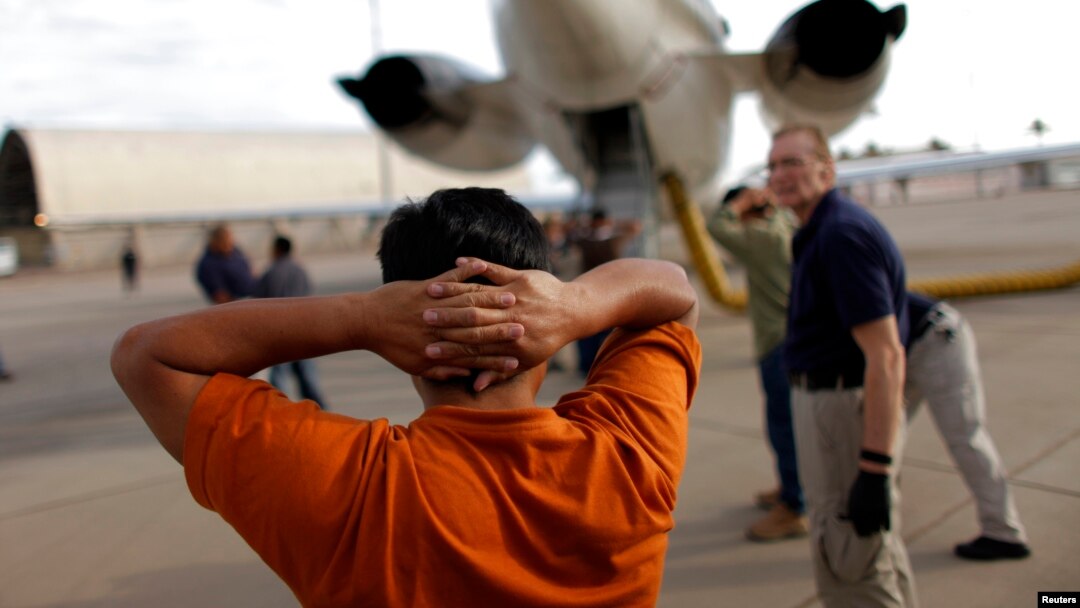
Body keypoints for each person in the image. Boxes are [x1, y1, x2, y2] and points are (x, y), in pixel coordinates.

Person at [111, 187, 701, 607]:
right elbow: (673, 294)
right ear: (540, 313)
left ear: (405, 324)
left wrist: (359, 317)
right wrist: (575, 307)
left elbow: (146, 355)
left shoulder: (346, 487)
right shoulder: (628, 455)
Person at [770, 125, 916, 607]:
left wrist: (873, 467)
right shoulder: (819, 229)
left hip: (840, 414)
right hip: (829, 404)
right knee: (875, 555)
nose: (780, 175)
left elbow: (886, 354)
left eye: (793, 162)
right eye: (773, 165)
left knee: (851, 562)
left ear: (826, 169)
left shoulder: (840, 236)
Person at [707, 186, 806, 542]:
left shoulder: (763, 239)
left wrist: (740, 202)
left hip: (777, 342)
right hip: (795, 337)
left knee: (784, 427)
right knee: (793, 423)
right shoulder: (784, 226)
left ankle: (795, 506)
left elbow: (717, 226)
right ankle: (792, 489)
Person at [905, 292, 1031, 560]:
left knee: (965, 436)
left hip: (935, 339)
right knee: (877, 438)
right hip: (906, 347)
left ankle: (1003, 532)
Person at [252, 235, 328, 409]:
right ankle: (323, 414)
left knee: (280, 379)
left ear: (277, 250)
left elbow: (258, 300)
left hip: (279, 332)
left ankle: (282, 414)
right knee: (308, 378)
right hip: (304, 330)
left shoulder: (270, 273)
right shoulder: (300, 271)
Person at [568, 208, 643, 376]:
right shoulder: (612, 239)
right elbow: (635, 227)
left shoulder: (585, 239)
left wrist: (588, 225)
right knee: (609, 334)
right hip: (612, 293)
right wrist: (612, 224)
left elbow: (569, 232)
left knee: (588, 334)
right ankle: (608, 366)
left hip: (589, 292)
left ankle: (588, 367)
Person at [195, 224, 253, 304]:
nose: (229, 244)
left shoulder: (235, 251)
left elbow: (249, 268)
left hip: (254, 296)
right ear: (215, 242)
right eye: (225, 241)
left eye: (230, 240)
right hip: (238, 304)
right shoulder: (208, 264)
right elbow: (220, 296)